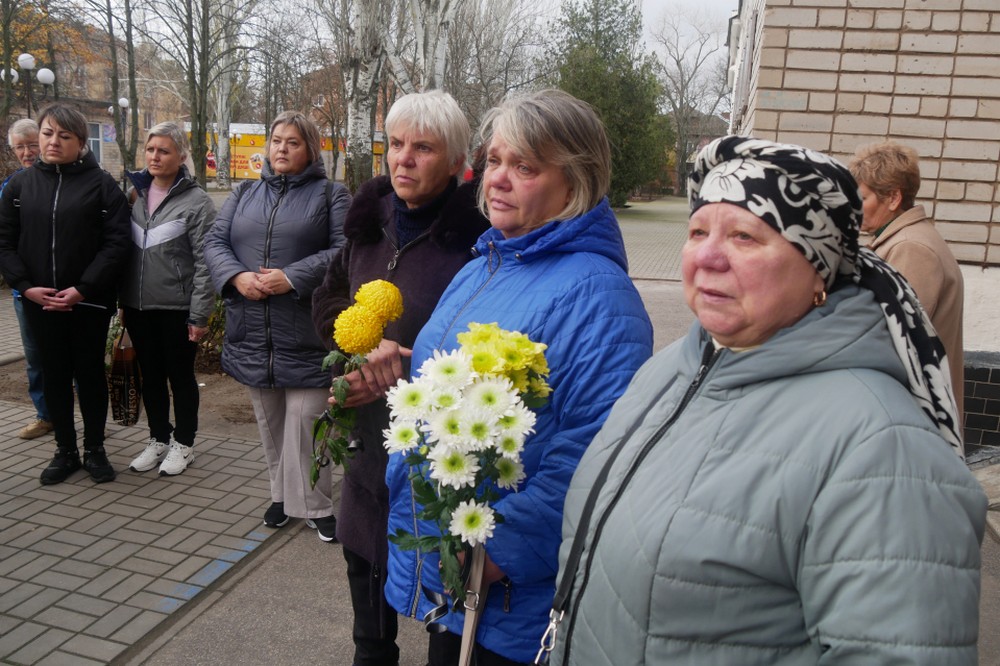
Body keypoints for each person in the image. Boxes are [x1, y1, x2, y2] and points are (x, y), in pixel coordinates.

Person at [548, 136, 986, 665]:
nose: (707, 256)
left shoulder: (884, 447)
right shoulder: (668, 371)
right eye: (696, 231)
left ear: (817, 270)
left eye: (745, 237)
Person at [384, 89, 654, 666]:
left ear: (575, 181)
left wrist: (495, 551)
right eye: (496, 161)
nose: (498, 180)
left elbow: (597, 451)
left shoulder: (599, 296)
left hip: (505, 596)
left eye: (525, 166)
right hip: (457, 569)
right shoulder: (487, 264)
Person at [311, 89, 491, 666]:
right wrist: (357, 345)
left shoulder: (478, 238)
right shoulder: (368, 221)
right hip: (367, 444)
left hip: (440, 459)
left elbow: (490, 348)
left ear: (457, 159)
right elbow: (329, 295)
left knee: (445, 621)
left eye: (423, 147)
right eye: (394, 144)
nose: (402, 159)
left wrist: (414, 367)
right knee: (369, 630)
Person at [204, 110, 350, 540]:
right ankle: (282, 497)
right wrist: (236, 276)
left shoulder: (330, 194)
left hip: (307, 331)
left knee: (307, 421)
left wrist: (291, 276)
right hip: (253, 330)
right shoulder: (244, 192)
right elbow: (214, 241)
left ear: (310, 150)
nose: (282, 149)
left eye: (293, 142)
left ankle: (317, 504)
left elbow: (346, 249)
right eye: (276, 141)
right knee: (271, 425)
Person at [0, 103, 130, 484]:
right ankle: (65, 450)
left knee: (88, 375)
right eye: (47, 133)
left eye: (65, 135)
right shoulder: (20, 186)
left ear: (80, 142)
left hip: (87, 302)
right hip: (40, 302)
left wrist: (83, 288)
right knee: (54, 375)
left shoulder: (101, 184)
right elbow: (5, 242)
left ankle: (95, 449)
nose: (54, 141)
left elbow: (117, 243)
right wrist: (26, 287)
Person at [120, 122, 217, 477]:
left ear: (181, 156)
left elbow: (207, 263)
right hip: (138, 307)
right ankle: (158, 437)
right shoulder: (136, 196)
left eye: (164, 150)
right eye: (150, 150)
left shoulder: (198, 202)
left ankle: (184, 443)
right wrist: (122, 300)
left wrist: (199, 315)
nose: (155, 157)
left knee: (180, 377)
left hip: (177, 309)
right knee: (151, 377)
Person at [850, 140, 966, 426]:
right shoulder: (905, 239)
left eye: (862, 198)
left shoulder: (911, 248)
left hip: (912, 412)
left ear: (893, 198)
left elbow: (896, 338)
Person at [3, 118, 52, 441]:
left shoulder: (62, 181)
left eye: (32, 144)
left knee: (75, 360)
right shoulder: (11, 187)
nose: (27, 152)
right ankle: (45, 415)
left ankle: (89, 417)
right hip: (26, 291)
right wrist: (21, 281)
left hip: (66, 289)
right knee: (35, 355)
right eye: (20, 147)